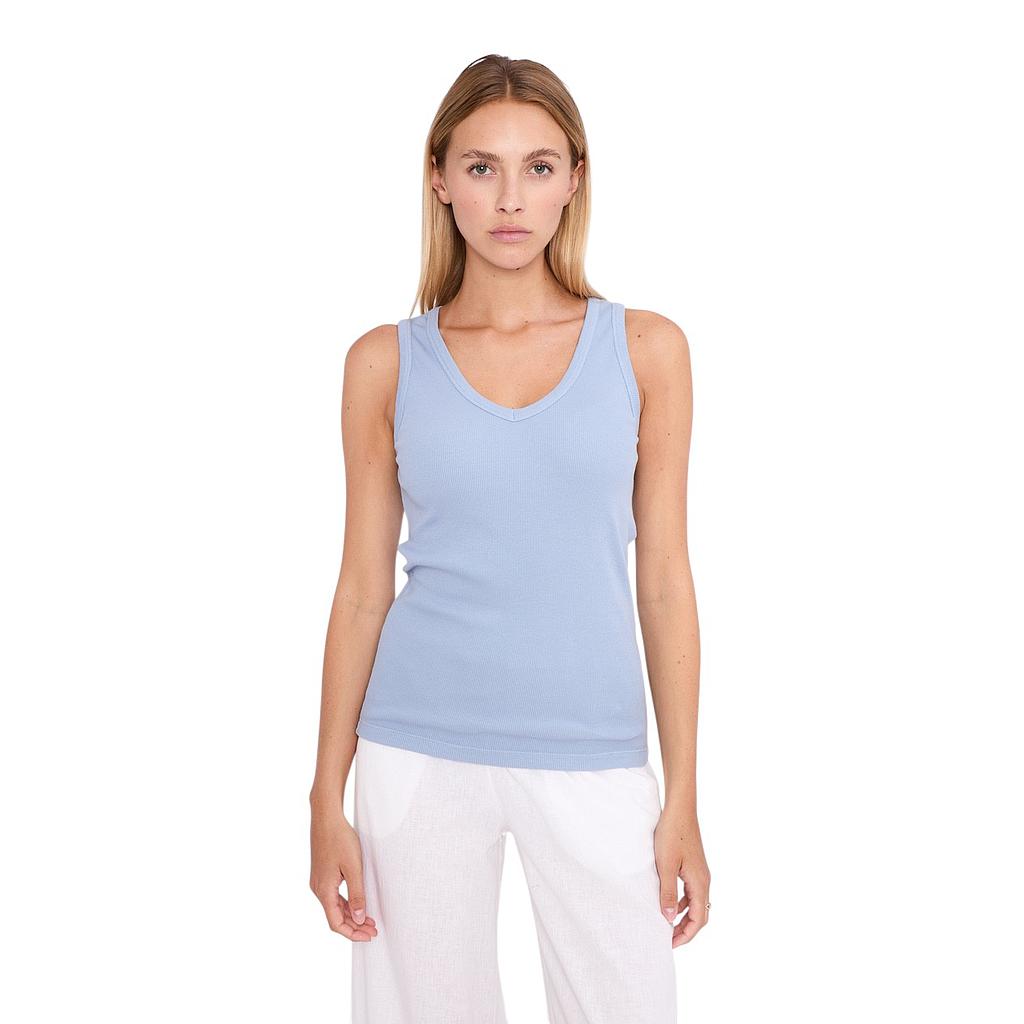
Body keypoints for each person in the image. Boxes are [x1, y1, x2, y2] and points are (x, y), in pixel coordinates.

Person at [309, 53, 709, 1023]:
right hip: (414, 746)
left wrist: (683, 796)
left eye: (538, 166)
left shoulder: (646, 350)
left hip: (594, 748)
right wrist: (325, 795)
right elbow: (362, 587)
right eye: (481, 166)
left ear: (574, 180)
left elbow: (663, 577)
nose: (510, 198)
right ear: (439, 178)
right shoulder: (384, 363)